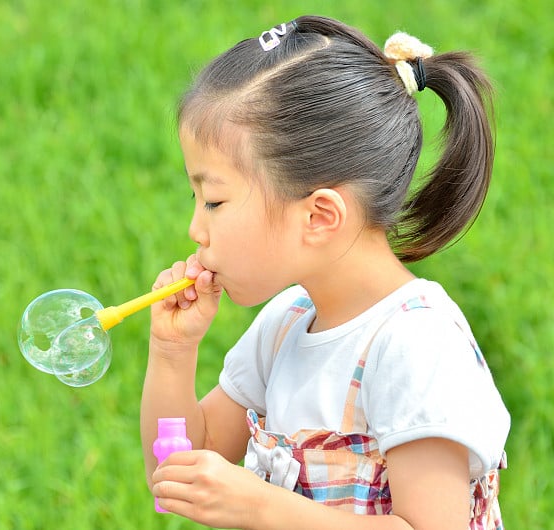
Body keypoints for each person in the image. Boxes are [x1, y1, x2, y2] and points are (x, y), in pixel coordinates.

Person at [140, 15, 510, 530]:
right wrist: (172, 353)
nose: (195, 230)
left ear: (318, 217)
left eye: (215, 201)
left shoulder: (415, 345)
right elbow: (177, 472)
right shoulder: (285, 326)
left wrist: (260, 506)